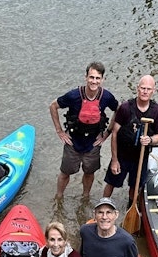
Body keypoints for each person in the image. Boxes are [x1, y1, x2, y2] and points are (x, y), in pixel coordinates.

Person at [50, 62, 119, 199]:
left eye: (97, 78)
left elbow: (118, 110)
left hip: (93, 144)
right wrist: (59, 131)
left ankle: (85, 197)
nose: (94, 81)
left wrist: (107, 133)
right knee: (65, 173)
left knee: (89, 173)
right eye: (91, 77)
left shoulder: (107, 97)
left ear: (102, 79)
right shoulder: (73, 95)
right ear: (86, 77)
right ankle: (59, 197)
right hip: (73, 142)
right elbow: (53, 106)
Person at [102, 75, 158, 207]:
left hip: (140, 157)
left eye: (148, 89)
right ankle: (103, 206)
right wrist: (114, 160)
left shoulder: (157, 111)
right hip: (122, 156)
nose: (145, 91)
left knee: (135, 187)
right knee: (111, 183)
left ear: (154, 91)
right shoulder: (125, 108)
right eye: (143, 88)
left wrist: (150, 139)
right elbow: (114, 134)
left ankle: (131, 208)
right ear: (137, 89)